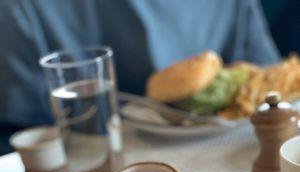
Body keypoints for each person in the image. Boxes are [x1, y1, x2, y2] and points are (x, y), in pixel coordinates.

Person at [0, 0, 279, 154]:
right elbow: (20, 139)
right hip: (87, 171)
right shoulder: (20, 9)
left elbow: (273, 86)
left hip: (234, 154)